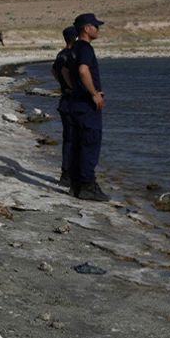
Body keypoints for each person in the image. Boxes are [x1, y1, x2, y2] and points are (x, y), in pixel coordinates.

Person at [67, 13, 109, 201]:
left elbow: (64, 71)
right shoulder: (85, 48)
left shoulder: (72, 48)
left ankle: (75, 185)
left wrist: (74, 89)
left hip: (74, 103)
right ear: (86, 28)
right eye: (96, 26)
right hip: (85, 105)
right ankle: (87, 186)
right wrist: (93, 93)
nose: (98, 29)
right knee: (90, 143)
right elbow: (83, 70)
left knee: (77, 144)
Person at [52, 26, 78, 187]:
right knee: (73, 138)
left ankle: (66, 173)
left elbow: (54, 71)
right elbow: (63, 71)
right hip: (72, 100)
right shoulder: (71, 55)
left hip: (64, 100)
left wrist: (62, 85)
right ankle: (70, 174)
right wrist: (72, 87)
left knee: (67, 138)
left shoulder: (60, 54)